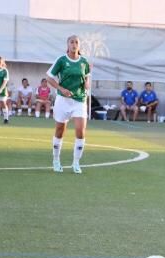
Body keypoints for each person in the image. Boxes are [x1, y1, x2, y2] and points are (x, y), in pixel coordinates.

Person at [46, 34, 91, 174]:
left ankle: (76, 163)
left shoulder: (84, 62)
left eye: (76, 42)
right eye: (71, 42)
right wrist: (61, 89)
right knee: (60, 130)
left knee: (80, 131)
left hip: (79, 100)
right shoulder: (61, 60)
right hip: (63, 101)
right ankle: (56, 160)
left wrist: (87, 84)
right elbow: (49, 77)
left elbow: (87, 78)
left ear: (79, 45)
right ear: (68, 45)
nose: (74, 44)